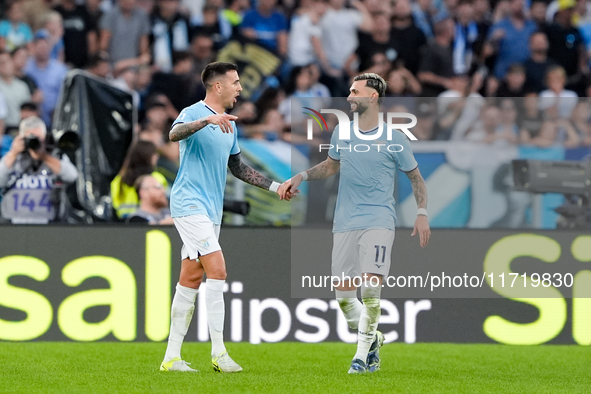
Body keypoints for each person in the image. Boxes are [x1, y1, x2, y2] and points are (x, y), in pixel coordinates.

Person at [281, 73, 430, 374]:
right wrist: (302, 176)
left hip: (379, 218)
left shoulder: (395, 137)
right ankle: (373, 338)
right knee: (345, 299)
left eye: (355, 91)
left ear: (372, 97)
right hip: (345, 220)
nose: (349, 97)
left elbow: (415, 178)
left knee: (371, 291)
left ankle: (361, 359)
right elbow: (331, 165)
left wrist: (422, 211)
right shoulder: (342, 132)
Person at [160, 61, 292, 373]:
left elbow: (238, 168)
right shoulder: (194, 112)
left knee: (190, 278)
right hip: (188, 204)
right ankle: (219, 353)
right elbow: (173, 134)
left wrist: (275, 186)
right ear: (218, 86)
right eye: (235, 82)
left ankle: (171, 358)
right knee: (217, 270)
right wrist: (206, 120)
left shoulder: (229, 125)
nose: (240, 89)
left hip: (211, 209)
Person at [0, 116, 78, 224]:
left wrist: (45, 157)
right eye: (31, 138)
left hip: (48, 223)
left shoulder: (54, 155)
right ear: (21, 138)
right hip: (13, 223)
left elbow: (72, 176)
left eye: (39, 138)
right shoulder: (13, 158)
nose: (35, 143)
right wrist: (13, 153)